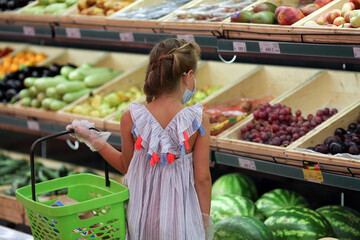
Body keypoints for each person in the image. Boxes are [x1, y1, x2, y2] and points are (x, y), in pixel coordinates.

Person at [66, 38, 213, 240]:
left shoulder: (132, 117)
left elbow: (126, 165)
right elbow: (202, 178)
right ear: (188, 77)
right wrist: (204, 220)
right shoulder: (198, 121)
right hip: (183, 217)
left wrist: (94, 139)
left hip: (141, 215)